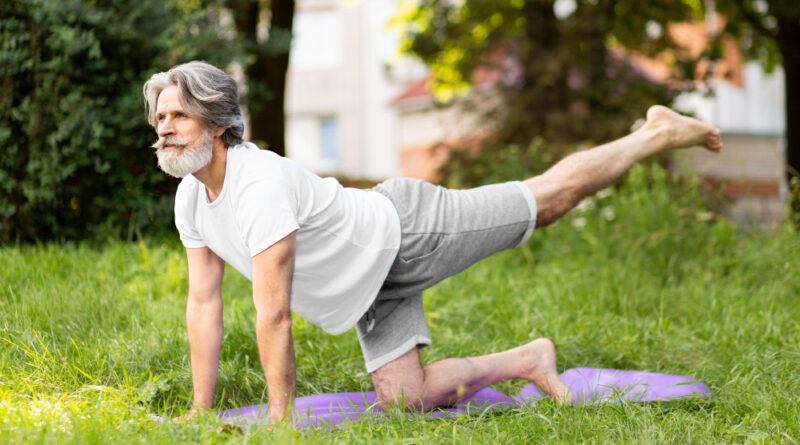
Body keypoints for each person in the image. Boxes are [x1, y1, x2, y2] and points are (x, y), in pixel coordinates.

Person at [143, 61, 722, 424]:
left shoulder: (258, 185)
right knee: (406, 400)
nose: (163, 128)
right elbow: (203, 304)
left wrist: (280, 424)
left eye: (178, 116)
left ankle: (655, 133)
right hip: (369, 290)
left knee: (547, 202)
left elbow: (273, 317)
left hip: (406, 230)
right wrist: (200, 409)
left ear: (218, 125)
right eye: (159, 118)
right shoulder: (192, 197)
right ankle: (528, 359)